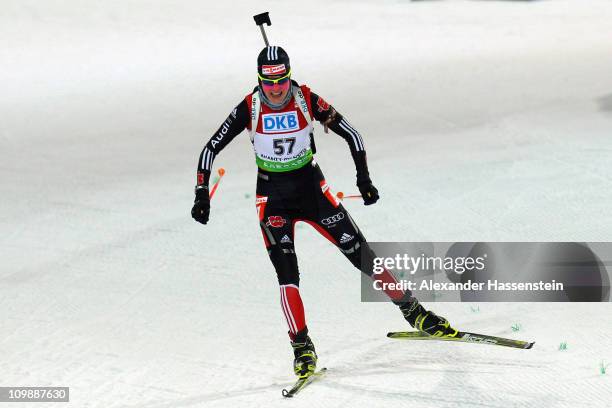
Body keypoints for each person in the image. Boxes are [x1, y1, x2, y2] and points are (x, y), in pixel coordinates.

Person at [192, 46, 457, 379]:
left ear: (289, 76)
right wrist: (202, 193)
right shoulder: (250, 106)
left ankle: (414, 312)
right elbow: (210, 147)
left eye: (281, 81)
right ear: (259, 80)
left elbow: (353, 134)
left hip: (313, 192)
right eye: (268, 83)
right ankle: (302, 346)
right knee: (287, 276)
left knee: (364, 257)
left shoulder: (306, 99)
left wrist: (364, 178)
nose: (275, 90)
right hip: (273, 199)